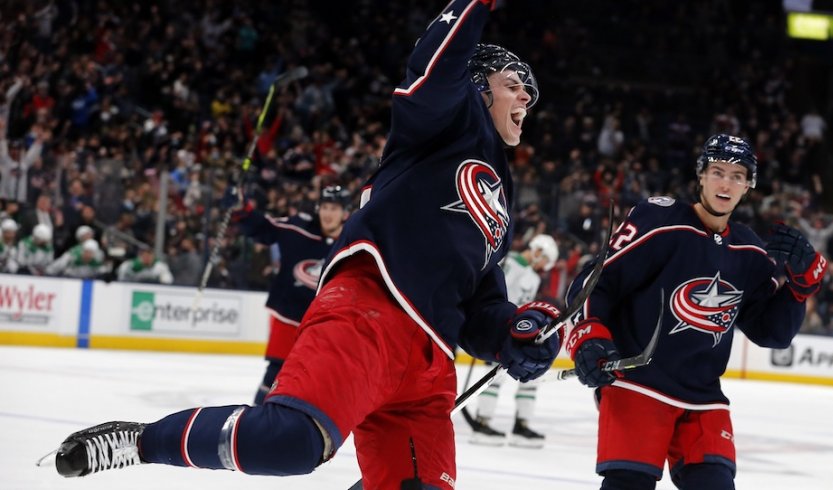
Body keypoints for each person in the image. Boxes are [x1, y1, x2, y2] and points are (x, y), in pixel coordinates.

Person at [52, 2, 562, 489]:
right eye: (514, 85)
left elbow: (480, 302)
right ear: (476, 87)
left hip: (428, 366)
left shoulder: (500, 192)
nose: (526, 100)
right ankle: (142, 441)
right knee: (292, 442)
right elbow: (433, 65)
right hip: (372, 312)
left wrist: (514, 335)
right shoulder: (444, 123)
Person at [563, 134, 826, 489]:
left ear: (749, 185)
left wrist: (800, 286)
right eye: (718, 171)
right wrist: (589, 336)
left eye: (737, 175)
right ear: (701, 175)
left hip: (703, 399)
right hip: (637, 386)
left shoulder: (750, 251)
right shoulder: (660, 221)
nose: (726, 183)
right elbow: (597, 281)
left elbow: (772, 333)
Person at [230, 185, 350, 405]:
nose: (328, 213)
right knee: (275, 375)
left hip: (325, 324)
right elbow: (266, 229)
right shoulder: (299, 229)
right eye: (324, 207)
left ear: (345, 213)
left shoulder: (352, 240)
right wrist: (242, 209)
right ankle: (256, 422)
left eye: (334, 208)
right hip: (289, 317)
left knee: (318, 382)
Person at [469, 233, 559, 448]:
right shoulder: (509, 264)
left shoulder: (533, 277)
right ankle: (482, 422)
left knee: (531, 378)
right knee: (495, 376)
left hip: (520, 334)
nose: (544, 267)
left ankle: (521, 425)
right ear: (538, 251)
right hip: (502, 331)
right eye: (545, 260)